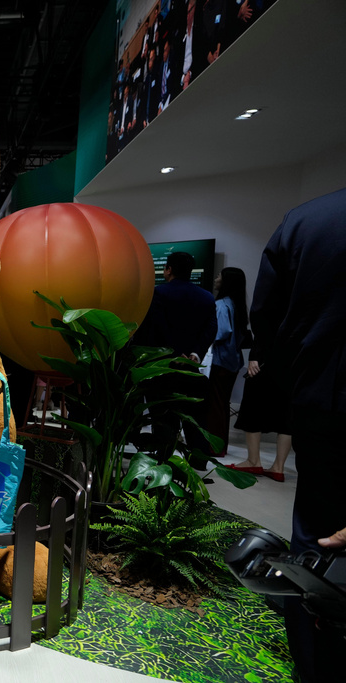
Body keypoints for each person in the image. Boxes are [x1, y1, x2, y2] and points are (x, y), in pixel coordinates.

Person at [249, 187, 346, 683]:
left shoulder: (307, 220)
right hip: (317, 400)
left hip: (321, 404)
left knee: (314, 538)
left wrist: (299, 377)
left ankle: (314, 662)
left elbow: (265, 316)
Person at [136, 251, 217, 463]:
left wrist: (172, 351)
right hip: (190, 367)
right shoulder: (207, 298)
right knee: (195, 420)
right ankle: (198, 464)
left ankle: (163, 463)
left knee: (163, 420)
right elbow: (210, 330)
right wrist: (194, 353)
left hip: (162, 369)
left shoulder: (157, 294)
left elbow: (152, 329)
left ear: (169, 269)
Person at [203, 267, 248, 456]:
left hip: (219, 362)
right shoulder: (237, 305)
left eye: (219, 275)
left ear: (226, 281)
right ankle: (219, 446)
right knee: (222, 405)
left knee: (214, 405)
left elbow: (219, 333)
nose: (216, 278)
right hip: (233, 363)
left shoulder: (221, 305)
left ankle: (213, 447)